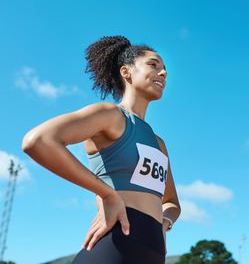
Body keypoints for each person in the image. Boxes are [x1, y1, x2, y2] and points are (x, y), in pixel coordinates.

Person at [22, 35, 181, 264]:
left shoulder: (160, 144)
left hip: (154, 251)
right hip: (115, 244)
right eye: (153, 65)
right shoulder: (111, 115)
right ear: (126, 72)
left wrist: (165, 222)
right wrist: (108, 194)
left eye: (165, 69)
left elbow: (172, 202)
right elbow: (38, 141)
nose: (164, 73)